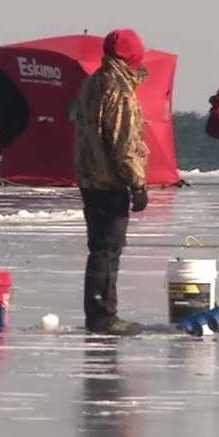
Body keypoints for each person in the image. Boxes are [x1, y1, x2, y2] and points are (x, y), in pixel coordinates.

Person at [71, 29, 151, 336]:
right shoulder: (120, 90)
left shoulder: (91, 84)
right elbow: (125, 143)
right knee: (107, 250)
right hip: (108, 182)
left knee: (99, 249)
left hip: (89, 177)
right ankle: (104, 317)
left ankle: (99, 313)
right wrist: (138, 184)